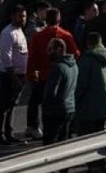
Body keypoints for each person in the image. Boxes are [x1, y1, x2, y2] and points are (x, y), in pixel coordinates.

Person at [25, 8, 80, 141]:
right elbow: (76, 54)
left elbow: (32, 57)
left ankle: (34, 126)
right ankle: (69, 128)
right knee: (65, 101)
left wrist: (31, 74)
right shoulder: (65, 35)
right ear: (59, 19)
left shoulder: (38, 36)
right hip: (63, 76)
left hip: (44, 75)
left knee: (37, 102)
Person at [76, 32, 106, 171]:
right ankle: (101, 165)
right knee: (101, 137)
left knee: (88, 139)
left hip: (89, 107)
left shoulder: (87, 60)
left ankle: (93, 167)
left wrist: (75, 100)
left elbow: (81, 85)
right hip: (105, 105)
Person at [0, 5, 28, 145]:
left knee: (12, 105)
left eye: (24, 16)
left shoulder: (20, 31)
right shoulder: (8, 33)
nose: (23, 19)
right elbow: (6, 57)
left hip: (20, 74)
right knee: (4, 106)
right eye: (20, 16)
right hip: (10, 75)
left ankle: (9, 133)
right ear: (12, 16)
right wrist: (13, 77)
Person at [43, 38, 78, 146]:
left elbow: (51, 92)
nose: (48, 52)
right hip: (70, 108)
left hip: (56, 111)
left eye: (50, 49)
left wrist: (46, 108)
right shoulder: (74, 65)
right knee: (64, 142)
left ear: (58, 49)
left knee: (50, 143)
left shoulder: (58, 68)